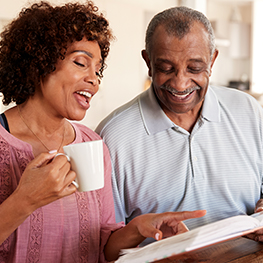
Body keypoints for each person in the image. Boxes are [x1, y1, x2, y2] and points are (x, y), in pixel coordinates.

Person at [0, 2, 207, 262]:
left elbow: (104, 247)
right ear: (39, 61)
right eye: (80, 62)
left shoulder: (93, 143)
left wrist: (138, 228)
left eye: (97, 69)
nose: (94, 80)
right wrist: (25, 200)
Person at [96, 5, 263, 245]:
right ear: (148, 62)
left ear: (213, 59)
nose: (181, 83)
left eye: (194, 68)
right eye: (166, 68)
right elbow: (103, 244)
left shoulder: (249, 111)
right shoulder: (113, 136)